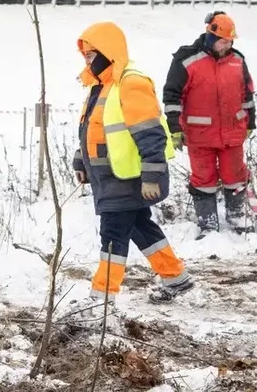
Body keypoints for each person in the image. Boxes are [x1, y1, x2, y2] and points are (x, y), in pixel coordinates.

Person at [72, 21, 194, 303]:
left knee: (113, 236)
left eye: (91, 55)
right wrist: (81, 161)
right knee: (139, 224)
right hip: (112, 176)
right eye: (86, 56)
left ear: (107, 52)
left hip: (128, 177)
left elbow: (150, 134)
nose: (88, 61)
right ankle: (175, 277)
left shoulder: (130, 83)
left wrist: (152, 175)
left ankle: (101, 299)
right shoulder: (101, 87)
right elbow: (92, 129)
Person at [162, 10, 257, 237]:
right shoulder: (186, 60)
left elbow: (248, 94)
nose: (227, 45)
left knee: (235, 175)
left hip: (232, 133)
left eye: (230, 41)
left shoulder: (237, 61)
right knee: (203, 179)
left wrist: (250, 122)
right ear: (212, 37)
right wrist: (175, 128)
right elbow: (172, 96)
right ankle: (208, 223)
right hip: (199, 135)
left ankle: (237, 218)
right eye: (223, 41)